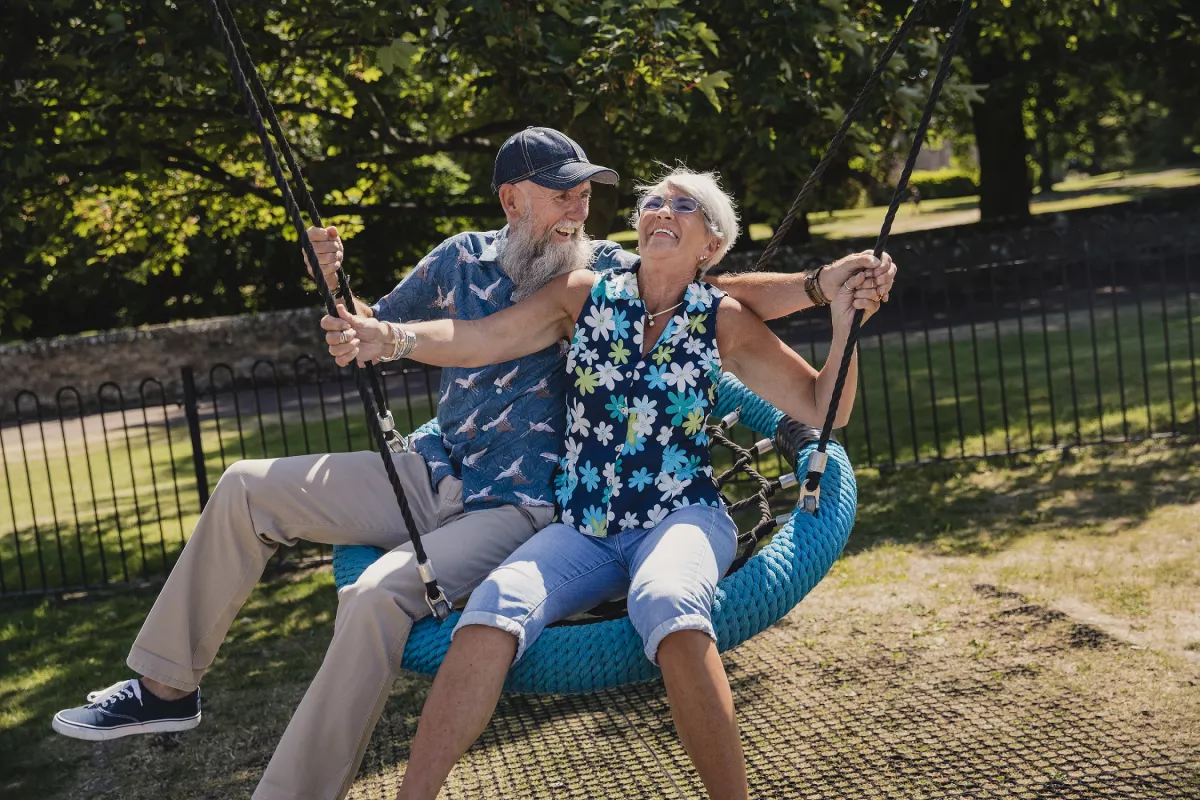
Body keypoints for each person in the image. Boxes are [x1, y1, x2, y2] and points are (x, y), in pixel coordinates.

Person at [50, 125, 894, 800]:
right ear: (512, 199)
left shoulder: (606, 270)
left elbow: (736, 296)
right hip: (450, 474)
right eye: (566, 192)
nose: (582, 207)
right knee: (242, 488)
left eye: (590, 194)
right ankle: (166, 689)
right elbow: (396, 335)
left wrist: (827, 289)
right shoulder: (495, 267)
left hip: (530, 505)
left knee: (386, 594)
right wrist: (346, 299)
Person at [322, 166, 888, 800]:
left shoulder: (721, 319)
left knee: (669, 603)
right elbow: (480, 340)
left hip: (681, 516)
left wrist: (844, 324)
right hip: (583, 527)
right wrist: (391, 337)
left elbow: (822, 406)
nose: (662, 210)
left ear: (711, 246)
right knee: (490, 607)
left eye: (685, 205)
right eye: (653, 201)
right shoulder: (584, 293)